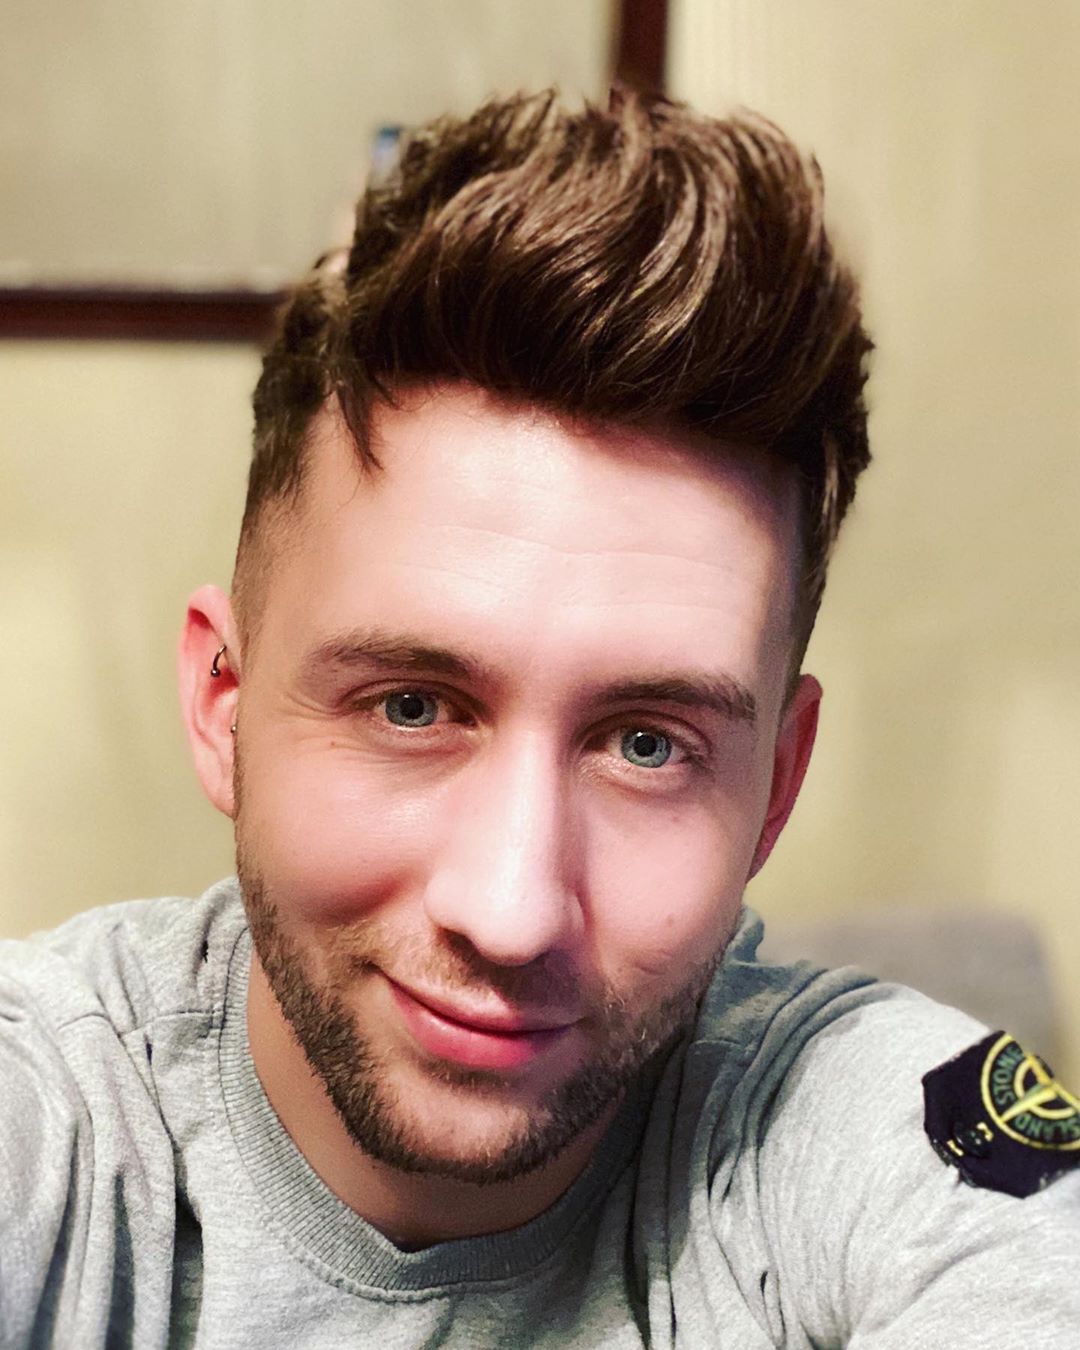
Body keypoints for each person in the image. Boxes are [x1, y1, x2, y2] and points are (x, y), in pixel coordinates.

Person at [1, 89, 1077, 1348]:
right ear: (221, 699)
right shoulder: (55, 1121)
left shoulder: (864, 1127)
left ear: (776, 789)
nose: (512, 913)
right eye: (412, 707)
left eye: (647, 745)